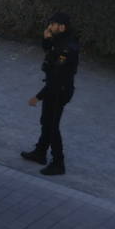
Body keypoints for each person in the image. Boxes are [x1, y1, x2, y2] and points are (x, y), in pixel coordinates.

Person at [20, 11, 80, 176]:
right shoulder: (60, 40)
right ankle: (40, 153)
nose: (49, 27)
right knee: (46, 121)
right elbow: (49, 50)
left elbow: (56, 77)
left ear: (62, 27)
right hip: (54, 88)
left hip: (59, 90)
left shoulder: (68, 48)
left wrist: (38, 97)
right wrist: (46, 38)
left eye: (52, 24)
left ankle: (58, 163)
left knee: (53, 126)